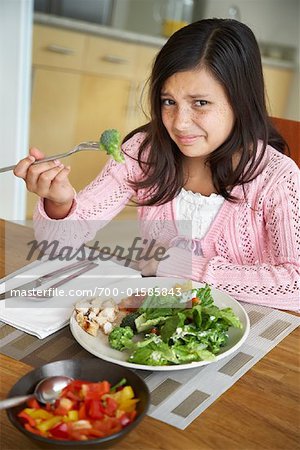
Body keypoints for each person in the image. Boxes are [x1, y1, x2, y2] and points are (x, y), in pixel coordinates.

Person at [14, 19, 299, 311]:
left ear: (241, 102)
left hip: (246, 332)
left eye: (200, 103)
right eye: (168, 101)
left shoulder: (278, 178)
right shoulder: (142, 153)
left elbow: (295, 284)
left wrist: (177, 264)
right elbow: (59, 244)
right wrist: (59, 204)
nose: (180, 123)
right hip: (157, 319)